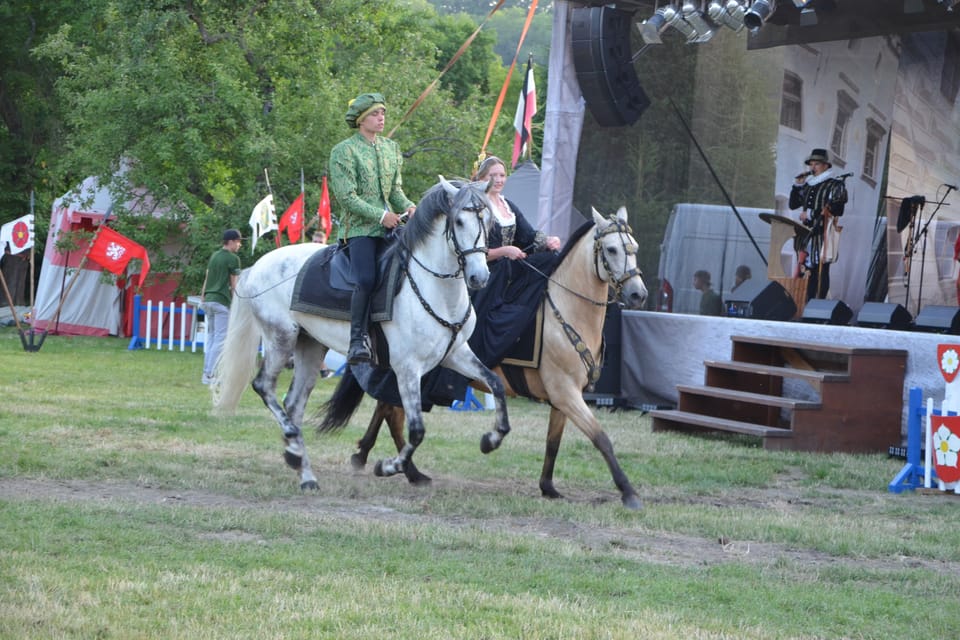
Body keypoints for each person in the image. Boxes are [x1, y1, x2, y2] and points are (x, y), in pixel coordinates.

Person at [329, 92, 416, 365]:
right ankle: (357, 341)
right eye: (375, 114)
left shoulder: (391, 148)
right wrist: (381, 217)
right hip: (359, 230)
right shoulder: (343, 151)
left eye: (383, 114)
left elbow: (396, 191)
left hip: (392, 226)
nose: (381, 118)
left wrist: (411, 207)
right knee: (366, 279)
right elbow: (347, 197)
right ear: (360, 119)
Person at [467, 155, 562, 366]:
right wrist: (504, 250)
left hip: (509, 269)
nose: (499, 180)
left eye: (502, 175)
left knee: (550, 259)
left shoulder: (507, 205)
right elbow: (473, 252)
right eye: (493, 175)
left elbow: (529, 236)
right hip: (486, 274)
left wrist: (549, 241)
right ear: (482, 178)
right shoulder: (477, 207)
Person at [789, 148, 847, 301]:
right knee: (806, 270)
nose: (812, 168)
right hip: (806, 233)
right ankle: (806, 302)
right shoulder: (809, 185)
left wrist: (811, 214)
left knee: (820, 271)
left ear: (826, 165)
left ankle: (818, 304)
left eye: (816, 164)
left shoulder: (835, 185)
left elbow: (837, 209)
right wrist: (797, 186)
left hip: (823, 234)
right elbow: (793, 204)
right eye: (811, 164)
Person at [201, 229, 242, 384]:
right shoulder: (233, 259)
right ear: (230, 242)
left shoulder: (214, 256)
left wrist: (203, 297)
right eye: (238, 241)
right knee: (220, 339)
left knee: (211, 337)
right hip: (221, 301)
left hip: (209, 300)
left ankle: (206, 372)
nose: (239, 245)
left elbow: (207, 277)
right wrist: (236, 303)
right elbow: (234, 284)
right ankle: (210, 374)